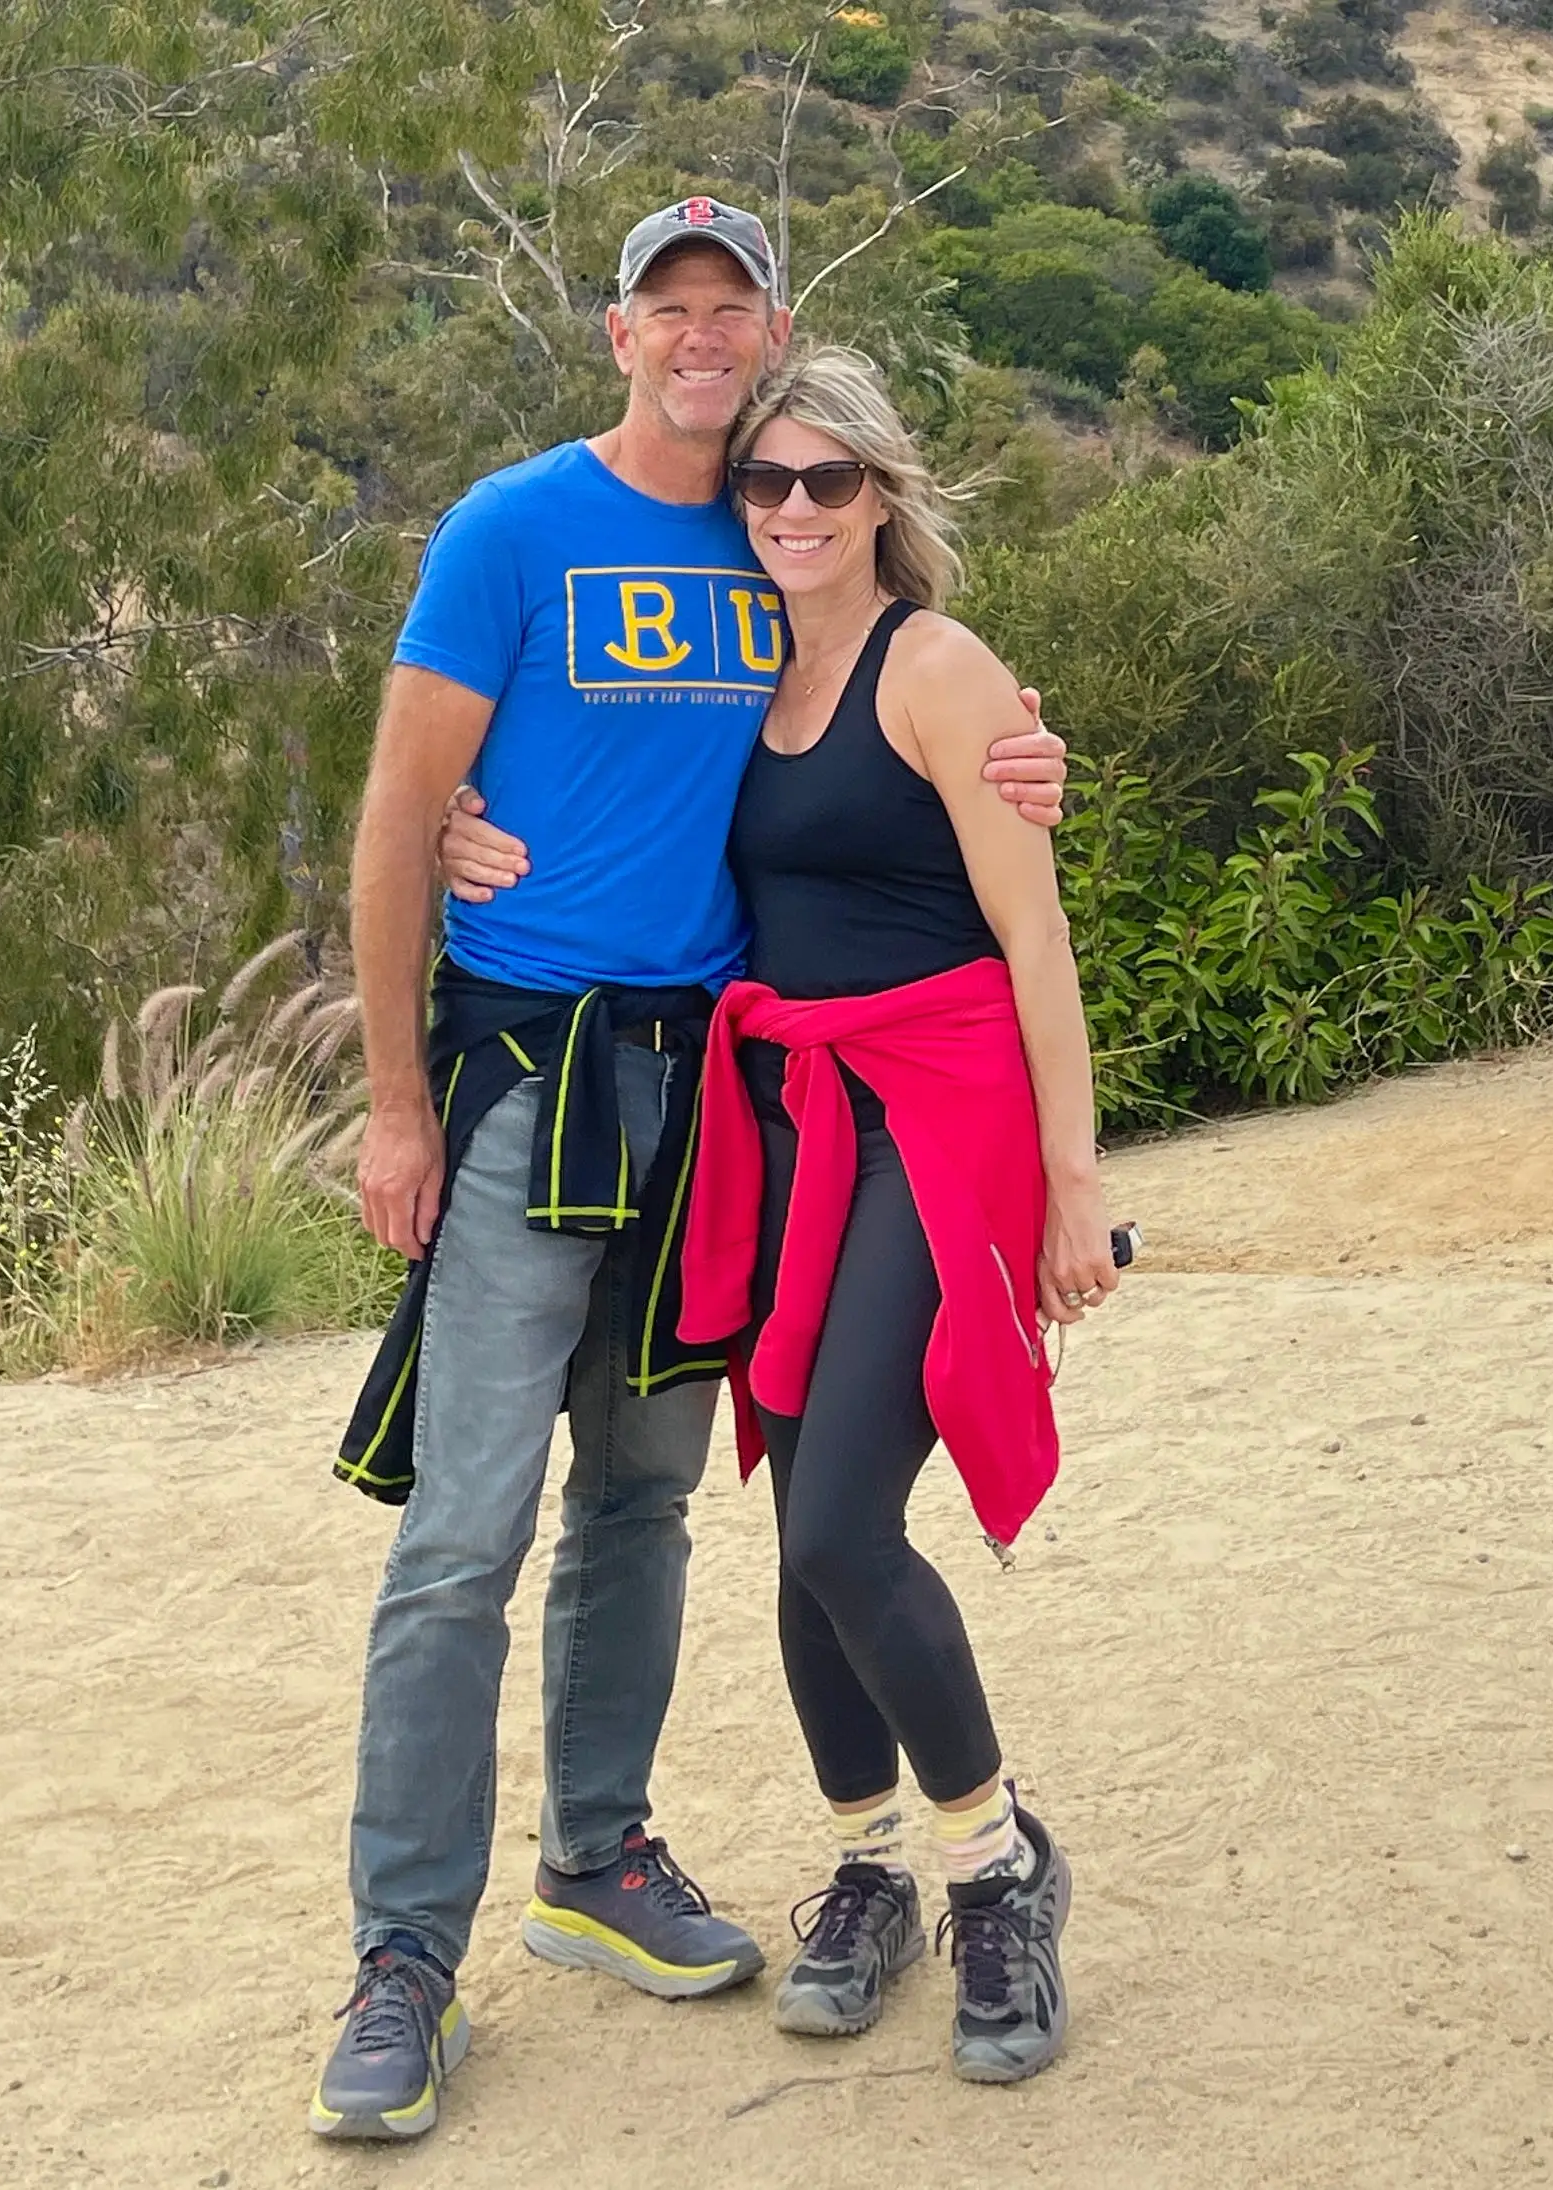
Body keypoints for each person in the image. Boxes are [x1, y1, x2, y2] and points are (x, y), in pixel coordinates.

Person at [314, 198, 1066, 2144]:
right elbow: (405, 808)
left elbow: (919, 777)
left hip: (727, 1107)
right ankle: (406, 1958)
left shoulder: (796, 568)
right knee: (464, 1532)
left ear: (777, 340)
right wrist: (395, 1098)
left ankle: (604, 1864)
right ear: (618, 332)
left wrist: (1025, 760)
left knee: (656, 1503)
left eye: (733, 311)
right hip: (531, 1086)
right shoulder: (514, 532)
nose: (706, 344)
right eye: (671, 309)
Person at [449, 344, 1114, 2085]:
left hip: (935, 1111)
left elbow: (1035, 940)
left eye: (829, 481)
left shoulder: (941, 668)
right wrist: (464, 823)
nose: (796, 510)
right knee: (795, 1517)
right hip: (789, 1119)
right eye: (769, 483)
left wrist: (1073, 1181)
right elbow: (600, 785)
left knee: (837, 1523)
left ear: (885, 496)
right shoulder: (741, 670)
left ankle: (999, 1870)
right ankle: (868, 1865)